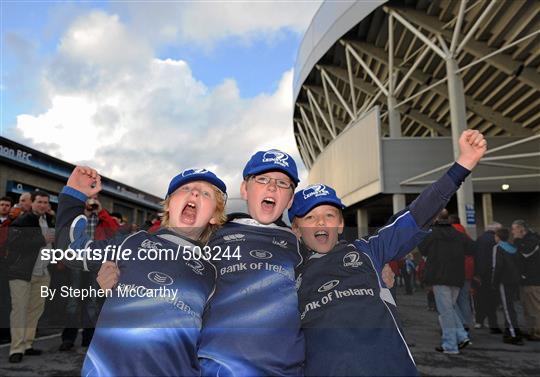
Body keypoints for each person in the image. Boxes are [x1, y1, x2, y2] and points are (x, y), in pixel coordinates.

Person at [289, 129, 486, 374]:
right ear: (296, 229)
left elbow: (417, 213)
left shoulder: (369, 250)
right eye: (310, 217)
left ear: (340, 223)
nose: (321, 223)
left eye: (329, 215)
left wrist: (463, 164)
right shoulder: (288, 274)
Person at [55, 166, 227, 376]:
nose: (195, 193)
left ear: (215, 217)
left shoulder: (214, 274)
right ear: (168, 206)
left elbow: (215, 349)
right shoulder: (132, 242)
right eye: (186, 188)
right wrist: (74, 194)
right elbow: (71, 250)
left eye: (206, 193)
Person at [6, 191, 54, 363]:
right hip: (22, 273)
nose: (42, 205)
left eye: (45, 202)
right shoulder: (23, 220)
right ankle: (16, 349)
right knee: (19, 311)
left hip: (42, 273)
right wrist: (42, 240)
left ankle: (27, 344)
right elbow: (13, 244)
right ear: (32, 203)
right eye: (39, 202)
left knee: (35, 311)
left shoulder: (46, 220)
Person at [492, 228, 523, 345]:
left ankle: (513, 333)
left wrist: (494, 282)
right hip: (514, 280)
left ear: (498, 237)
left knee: (507, 307)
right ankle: (512, 330)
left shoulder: (498, 248)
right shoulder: (513, 247)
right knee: (511, 306)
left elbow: (497, 267)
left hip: (504, 281)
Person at [512, 219, 540, 341]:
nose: (512, 232)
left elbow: (525, 253)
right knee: (528, 308)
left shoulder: (532, 241)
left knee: (535, 307)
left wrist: (517, 241)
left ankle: (537, 332)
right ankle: (532, 330)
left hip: (533, 280)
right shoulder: (526, 240)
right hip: (526, 280)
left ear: (521, 229)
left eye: (514, 229)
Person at [474, 222, 502, 332]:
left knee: (480, 299)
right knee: (492, 300)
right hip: (492, 274)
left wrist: (477, 274)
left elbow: (478, 257)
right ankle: (493, 324)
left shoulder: (480, 239)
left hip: (481, 274)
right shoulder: (495, 241)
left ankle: (479, 321)